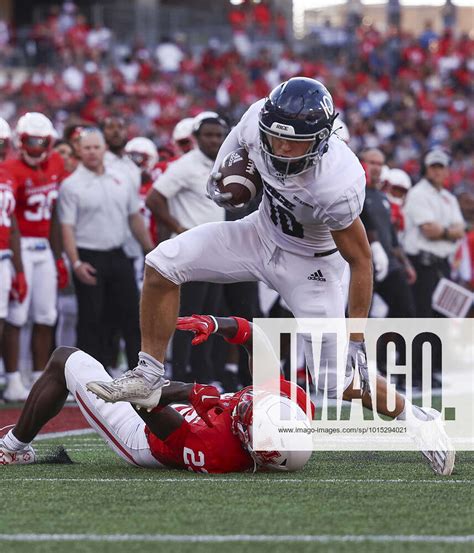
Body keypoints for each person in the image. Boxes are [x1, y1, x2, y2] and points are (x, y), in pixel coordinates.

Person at [88, 78, 454, 475]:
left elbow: (360, 260)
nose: (280, 149)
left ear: (321, 139)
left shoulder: (338, 180)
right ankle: (149, 372)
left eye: (293, 143)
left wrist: (356, 338)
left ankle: (417, 418)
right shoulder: (257, 119)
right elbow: (231, 157)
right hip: (259, 234)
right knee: (162, 262)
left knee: (334, 382)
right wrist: (222, 183)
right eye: (275, 139)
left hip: (313, 267)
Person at [0, 315, 314, 474]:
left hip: (144, 436)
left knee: (64, 359)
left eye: (245, 414)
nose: (242, 402)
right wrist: (216, 323)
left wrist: (187, 392)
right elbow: (254, 337)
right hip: (178, 414)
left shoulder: (216, 451)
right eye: (255, 401)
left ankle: (11, 449)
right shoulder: (292, 402)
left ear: (250, 444)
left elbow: (141, 400)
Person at [58, 128, 153, 371]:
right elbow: (66, 227)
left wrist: (150, 251)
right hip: (89, 256)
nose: (92, 152)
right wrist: (76, 263)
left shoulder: (121, 177)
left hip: (118, 254)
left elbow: (134, 218)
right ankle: (87, 379)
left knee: (132, 316)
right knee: (91, 320)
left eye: (96, 147)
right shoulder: (71, 185)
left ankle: (139, 374)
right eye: (87, 148)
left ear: (104, 149)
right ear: (79, 150)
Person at [146, 112, 228, 383]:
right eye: (208, 135)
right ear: (196, 138)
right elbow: (154, 198)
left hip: (216, 252)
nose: (214, 140)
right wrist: (179, 228)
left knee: (210, 316)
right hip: (192, 252)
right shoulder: (185, 165)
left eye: (218, 135)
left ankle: (203, 374)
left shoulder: (224, 163)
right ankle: (179, 374)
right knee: (186, 317)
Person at [2, 113, 68, 401]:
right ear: (20, 141)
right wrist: (18, 267)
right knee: (16, 315)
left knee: (46, 315)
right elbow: (11, 218)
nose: (37, 146)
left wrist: (58, 256)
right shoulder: (10, 168)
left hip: (42, 245)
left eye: (42, 141)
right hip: (17, 247)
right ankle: (14, 378)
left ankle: (41, 378)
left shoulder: (56, 163)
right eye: (31, 141)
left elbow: (55, 214)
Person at [403, 149, 465, 317]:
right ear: (426, 169)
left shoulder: (449, 197)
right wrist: (449, 231)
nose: (437, 171)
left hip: (443, 264)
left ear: (447, 171)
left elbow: (461, 230)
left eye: (441, 167)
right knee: (423, 316)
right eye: (433, 166)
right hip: (422, 265)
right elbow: (429, 230)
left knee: (444, 317)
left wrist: (443, 231)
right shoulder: (417, 193)